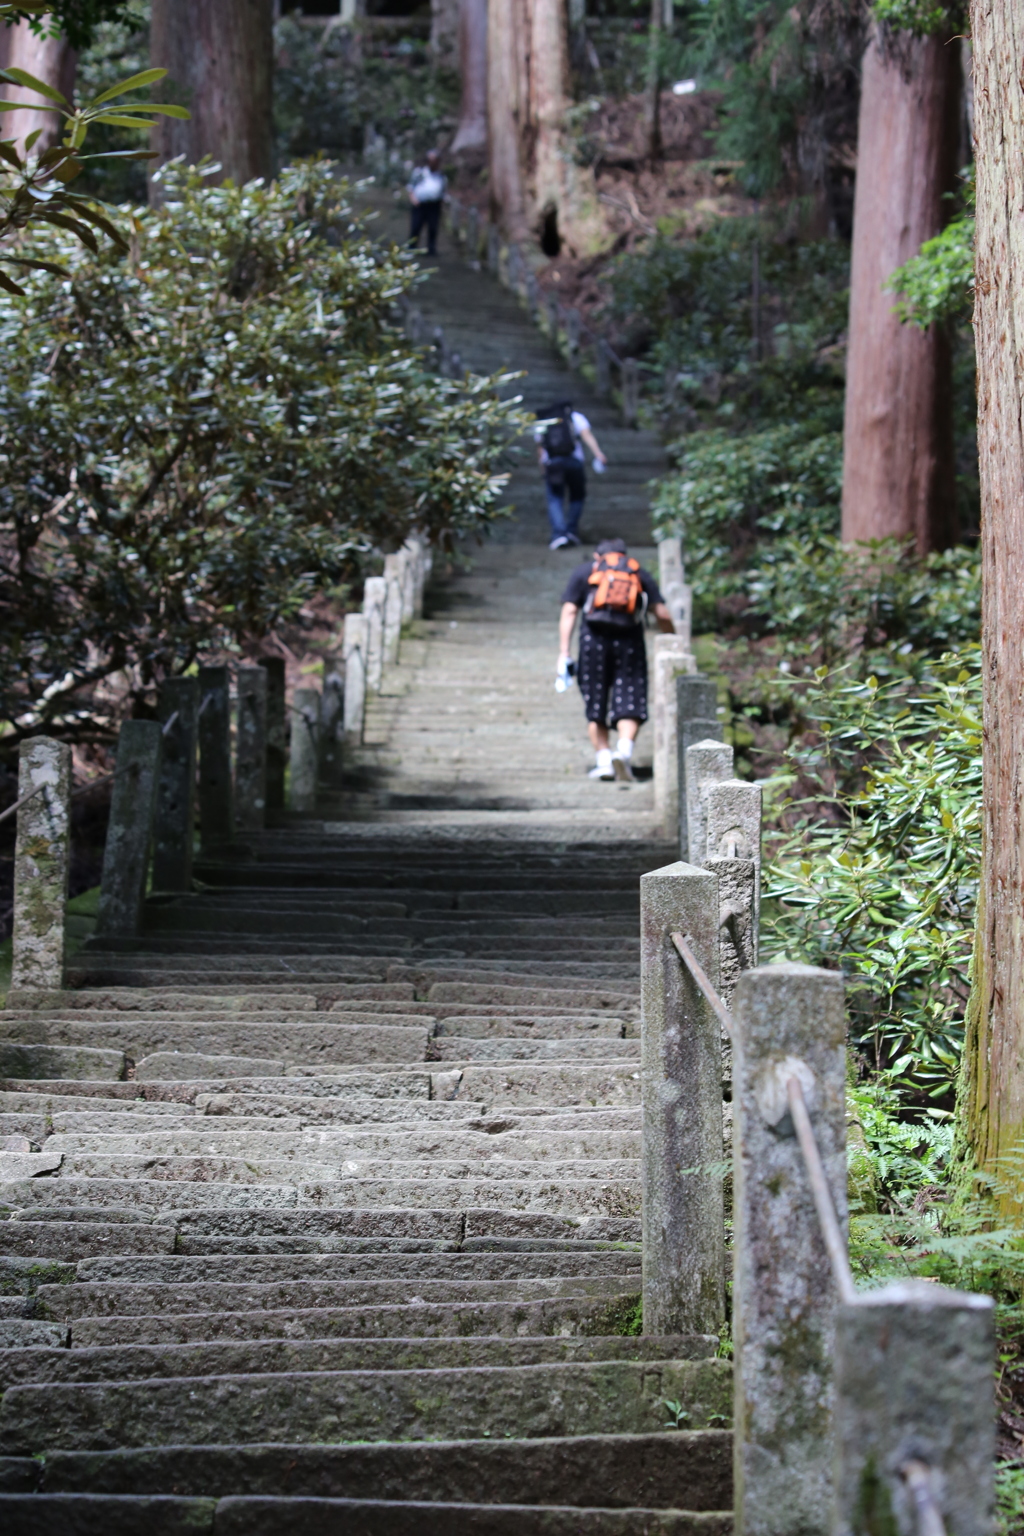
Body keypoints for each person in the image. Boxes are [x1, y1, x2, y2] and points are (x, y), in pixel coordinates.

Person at [557, 538, 675, 781]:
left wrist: (564, 651)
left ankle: (604, 760)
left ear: (596, 555)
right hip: (629, 641)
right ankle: (623, 751)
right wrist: (675, 638)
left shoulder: (585, 572)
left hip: (593, 641)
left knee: (595, 702)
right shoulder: (637, 572)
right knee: (630, 697)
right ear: (624, 554)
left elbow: (569, 611)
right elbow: (661, 612)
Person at [535, 401, 607, 550]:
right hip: (574, 462)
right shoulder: (574, 417)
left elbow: (541, 447)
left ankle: (559, 535)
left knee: (555, 499)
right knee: (577, 497)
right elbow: (586, 435)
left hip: (552, 464)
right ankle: (571, 531)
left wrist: (542, 468)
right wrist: (598, 453)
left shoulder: (543, 420)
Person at [407, 150, 446, 257]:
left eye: (435, 161)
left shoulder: (441, 176)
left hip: (434, 205)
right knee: (416, 227)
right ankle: (411, 248)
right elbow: (410, 188)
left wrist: (442, 206)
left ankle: (431, 249)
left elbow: (443, 191)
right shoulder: (419, 173)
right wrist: (413, 199)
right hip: (420, 204)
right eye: (431, 161)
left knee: (433, 228)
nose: (433, 163)